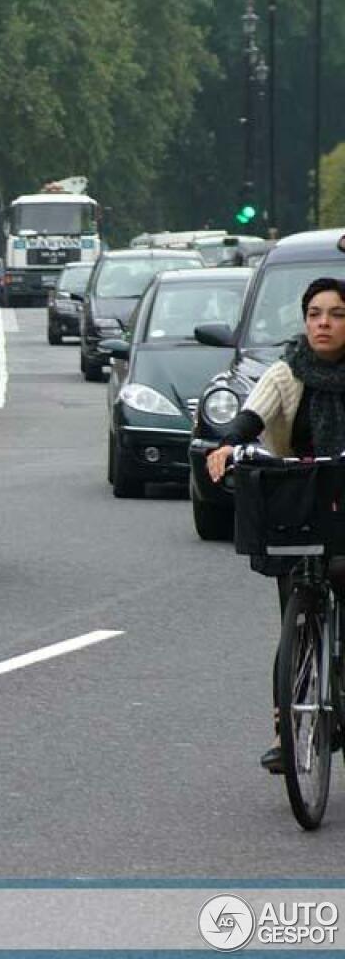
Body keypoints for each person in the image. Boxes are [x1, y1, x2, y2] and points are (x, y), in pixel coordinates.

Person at [206, 277, 345, 775]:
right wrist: (228, 444)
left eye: (335, 314)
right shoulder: (290, 371)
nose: (323, 323)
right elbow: (253, 413)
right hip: (305, 503)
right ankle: (288, 733)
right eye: (314, 314)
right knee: (296, 623)